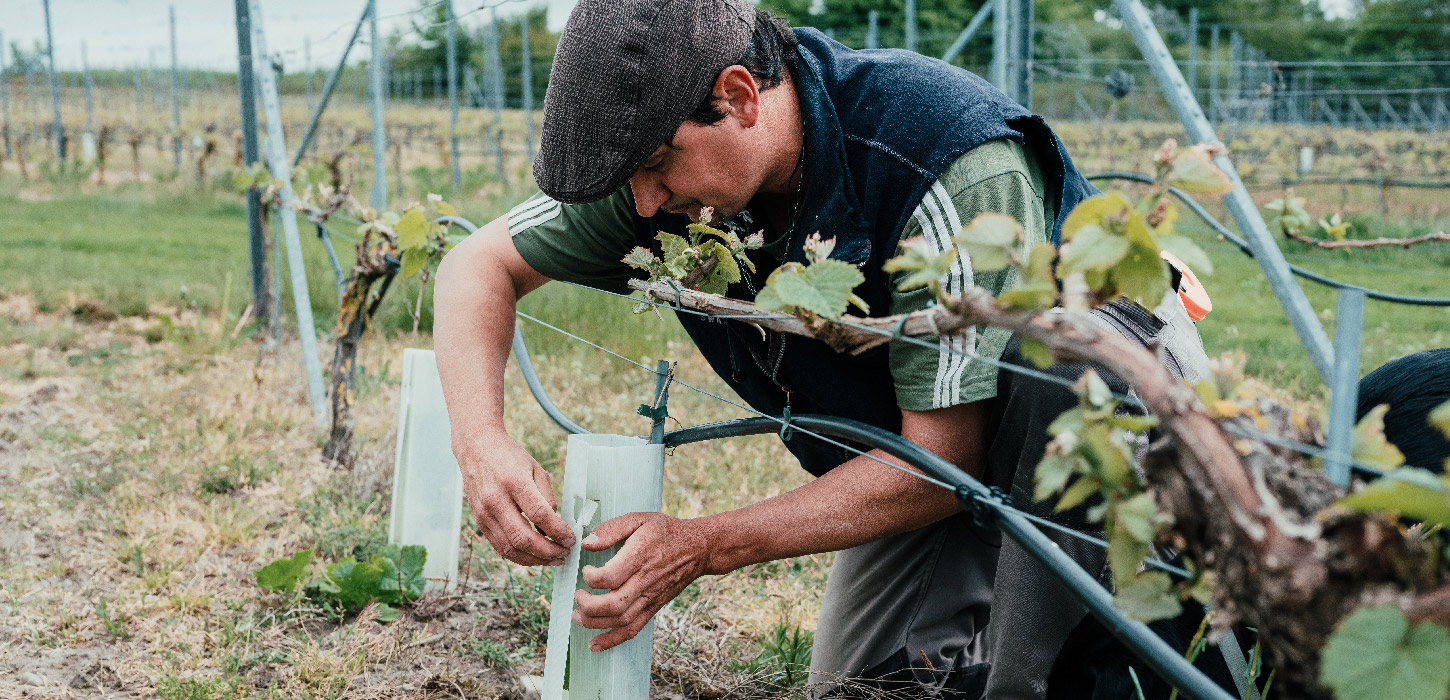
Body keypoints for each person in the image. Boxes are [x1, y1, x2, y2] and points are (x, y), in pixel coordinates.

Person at [433, 1, 1198, 695]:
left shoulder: (942, 156)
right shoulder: (661, 173)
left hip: (1098, 434)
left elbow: (946, 458)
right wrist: (480, 443)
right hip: (919, 448)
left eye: (657, 167)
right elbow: (477, 264)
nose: (642, 203)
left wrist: (705, 544)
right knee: (861, 689)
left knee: (1054, 672)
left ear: (738, 96)